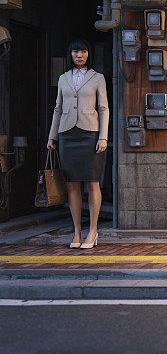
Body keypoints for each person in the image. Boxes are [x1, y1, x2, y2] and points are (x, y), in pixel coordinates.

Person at [46, 39, 109, 249]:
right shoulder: (63, 78)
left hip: (90, 134)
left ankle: (93, 231)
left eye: (83, 51)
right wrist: (51, 136)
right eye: (75, 51)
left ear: (88, 54)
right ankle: (76, 233)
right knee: (72, 184)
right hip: (67, 135)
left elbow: (104, 109)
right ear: (70, 54)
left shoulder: (97, 78)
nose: (79, 55)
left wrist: (103, 136)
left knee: (92, 183)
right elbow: (57, 108)